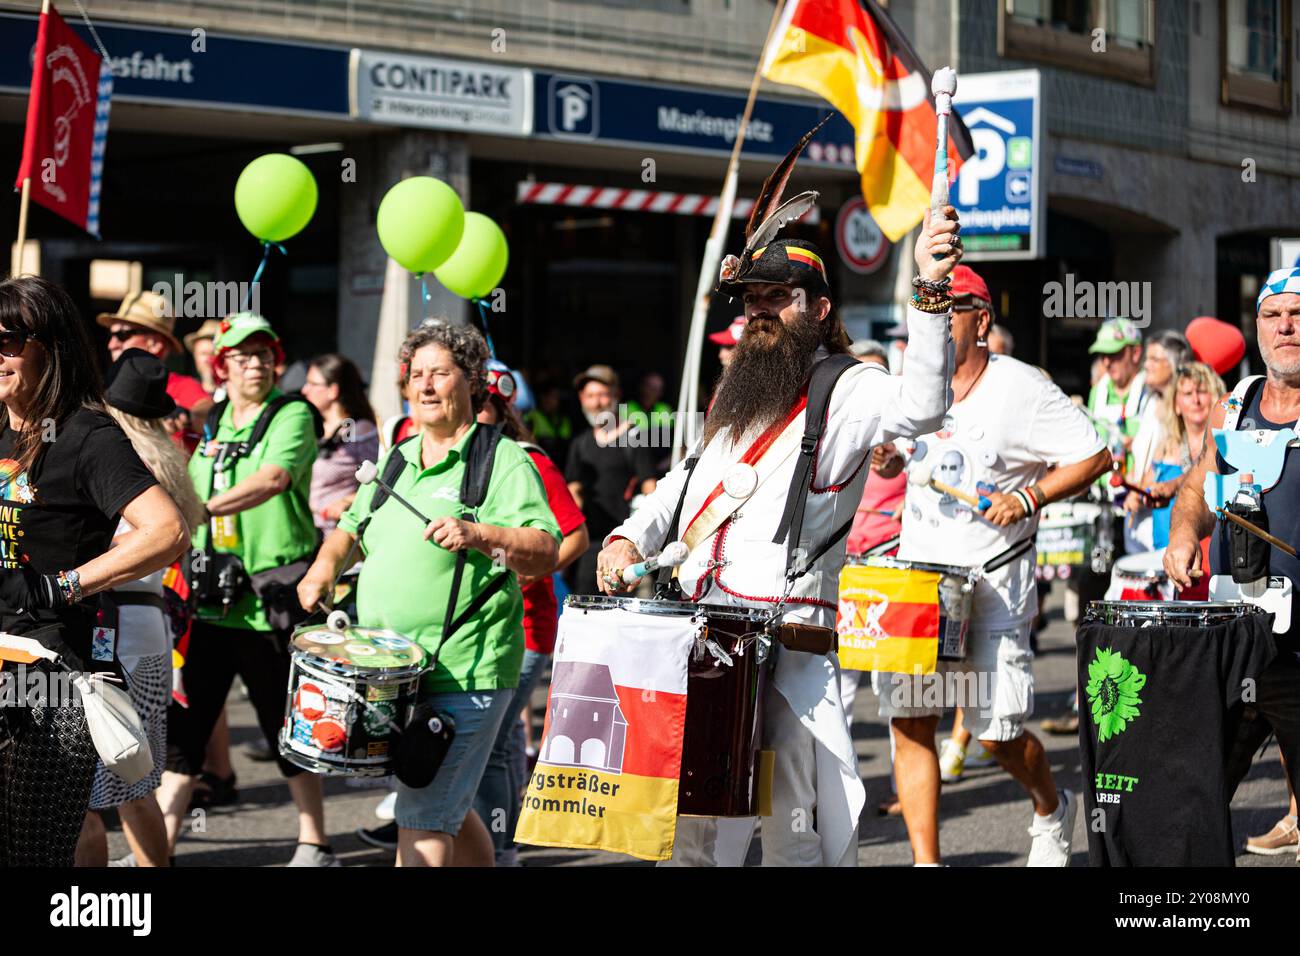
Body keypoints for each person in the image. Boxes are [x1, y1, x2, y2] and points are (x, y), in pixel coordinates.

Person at [597, 179, 963, 868]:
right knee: (694, 816)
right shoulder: (737, 390)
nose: (760, 312)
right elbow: (688, 482)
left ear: (820, 309)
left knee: (795, 824)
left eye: (778, 298)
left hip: (791, 644)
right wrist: (628, 536)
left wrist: (930, 291)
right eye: (752, 301)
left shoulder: (848, 388)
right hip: (706, 636)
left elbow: (922, 406)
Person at [297, 322, 560, 867]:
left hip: (465, 671)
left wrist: (481, 533)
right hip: (392, 674)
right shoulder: (395, 458)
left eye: (440, 373)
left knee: (419, 821)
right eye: (416, 375)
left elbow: (544, 549)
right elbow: (349, 530)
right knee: (446, 808)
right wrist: (322, 570)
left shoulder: (501, 459)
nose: (425, 385)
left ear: (472, 381)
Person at [873, 264, 1109, 866]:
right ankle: (927, 863)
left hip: (995, 586)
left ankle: (1051, 810)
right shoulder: (914, 383)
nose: (933, 327)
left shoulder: (1022, 388)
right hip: (921, 586)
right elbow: (897, 455)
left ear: (980, 321)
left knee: (996, 732)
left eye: (945, 313)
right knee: (911, 722)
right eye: (925, 315)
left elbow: (1095, 455)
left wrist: (1029, 497)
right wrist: (889, 460)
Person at [0, 276, 188, 867]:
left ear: (49, 347)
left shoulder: (88, 434)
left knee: (32, 853)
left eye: (7, 339)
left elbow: (167, 531)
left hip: (47, 675)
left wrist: (62, 585)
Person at [155, 312, 335, 867]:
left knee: (285, 729)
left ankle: (315, 842)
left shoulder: (294, 413)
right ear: (222, 365)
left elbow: (275, 479)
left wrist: (200, 508)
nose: (254, 363)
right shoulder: (214, 421)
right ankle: (152, 853)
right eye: (241, 355)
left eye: (263, 354)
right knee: (186, 734)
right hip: (212, 603)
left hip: (271, 603)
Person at [1165, 269, 1300, 833]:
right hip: (1235, 635)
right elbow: (1198, 488)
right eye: (1273, 315)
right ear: (1258, 325)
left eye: (1298, 314)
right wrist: (1181, 536)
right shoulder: (1235, 405)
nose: (1286, 327)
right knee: (1196, 789)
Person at [75, 349, 207, 868]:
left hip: (109, 625)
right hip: (148, 624)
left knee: (83, 792)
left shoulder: (116, 457)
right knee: (135, 780)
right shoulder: (166, 458)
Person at [468, 365, 589, 866]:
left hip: (526, 628)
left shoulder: (527, 459)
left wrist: (530, 574)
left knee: (491, 746)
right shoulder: (465, 459)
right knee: (502, 740)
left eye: (480, 403)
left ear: (499, 409)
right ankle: (505, 842)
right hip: (480, 627)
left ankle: (498, 851)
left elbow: (576, 536)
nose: (469, 413)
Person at [566, 364, 658, 595]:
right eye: (590, 396)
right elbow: (573, 489)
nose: (597, 403)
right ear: (581, 399)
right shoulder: (580, 442)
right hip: (588, 548)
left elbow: (650, 487)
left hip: (624, 546)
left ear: (616, 395)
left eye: (602, 395)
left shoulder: (635, 436)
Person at [1124, 362, 1223, 553]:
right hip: (1163, 550)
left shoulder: (1221, 444)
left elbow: (1204, 479)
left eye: (1202, 392)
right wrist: (1135, 495)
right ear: (1177, 405)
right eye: (1187, 394)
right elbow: (1146, 485)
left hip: (1207, 552)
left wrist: (1173, 485)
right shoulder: (1165, 447)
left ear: (1214, 398)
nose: (1195, 400)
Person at [98, 291, 213, 426]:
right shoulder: (104, 386)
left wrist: (186, 414)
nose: (111, 345)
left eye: (122, 335)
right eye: (111, 335)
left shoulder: (181, 386)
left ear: (155, 344)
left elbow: (209, 411)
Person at [1124, 331, 1192, 552]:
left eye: (1154, 359)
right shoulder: (1152, 401)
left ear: (1174, 363)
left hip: (1165, 513)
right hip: (1140, 510)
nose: (1146, 365)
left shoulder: (1185, 406)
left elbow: (1171, 459)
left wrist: (1138, 491)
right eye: (1147, 358)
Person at [302, 354, 380, 533]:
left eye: (313, 384)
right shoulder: (314, 426)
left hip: (338, 534)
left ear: (333, 390)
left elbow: (380, 480)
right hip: (308, 532)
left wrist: (347, 501)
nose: (305, 390)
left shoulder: (356, 429)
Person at [523, 381, 574, 464]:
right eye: (553, 396)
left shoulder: (564, 419)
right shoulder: (532, 417)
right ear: (543, 397)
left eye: (557, 397)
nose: (556, 401)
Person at [184, 319, 223, 397]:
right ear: (195, 356)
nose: (208, 359)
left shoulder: (234, 394)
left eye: (213, 354)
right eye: (203, 354)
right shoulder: (184, 391)